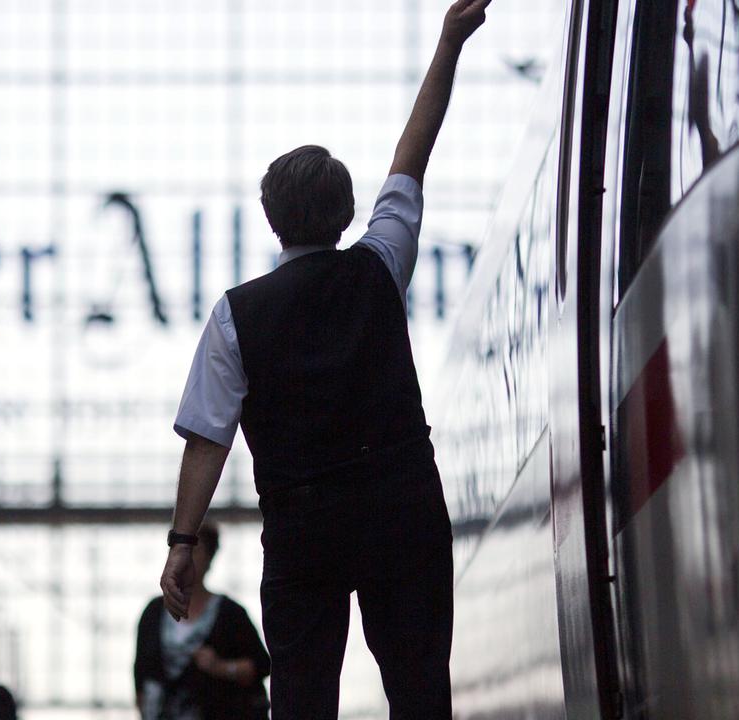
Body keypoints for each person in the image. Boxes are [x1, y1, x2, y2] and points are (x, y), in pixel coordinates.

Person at [158, 1, 488, 717]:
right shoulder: (381, 264)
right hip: (402, 506)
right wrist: (449, 42)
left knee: (303, 701)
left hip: (303, 526)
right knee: (419, 687)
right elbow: (413, 155)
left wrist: (183, 541)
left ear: (273, 218)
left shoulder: (235, 315)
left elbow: (207, 441)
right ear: (345, 213)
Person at [134, 524, 269, 720]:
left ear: (210, 558)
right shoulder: (153, 613)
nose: (186, 559)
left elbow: (261, 665)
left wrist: (221, 667)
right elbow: (141, 677)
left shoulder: (230, 614)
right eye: (178, 550)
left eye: (194, 551)